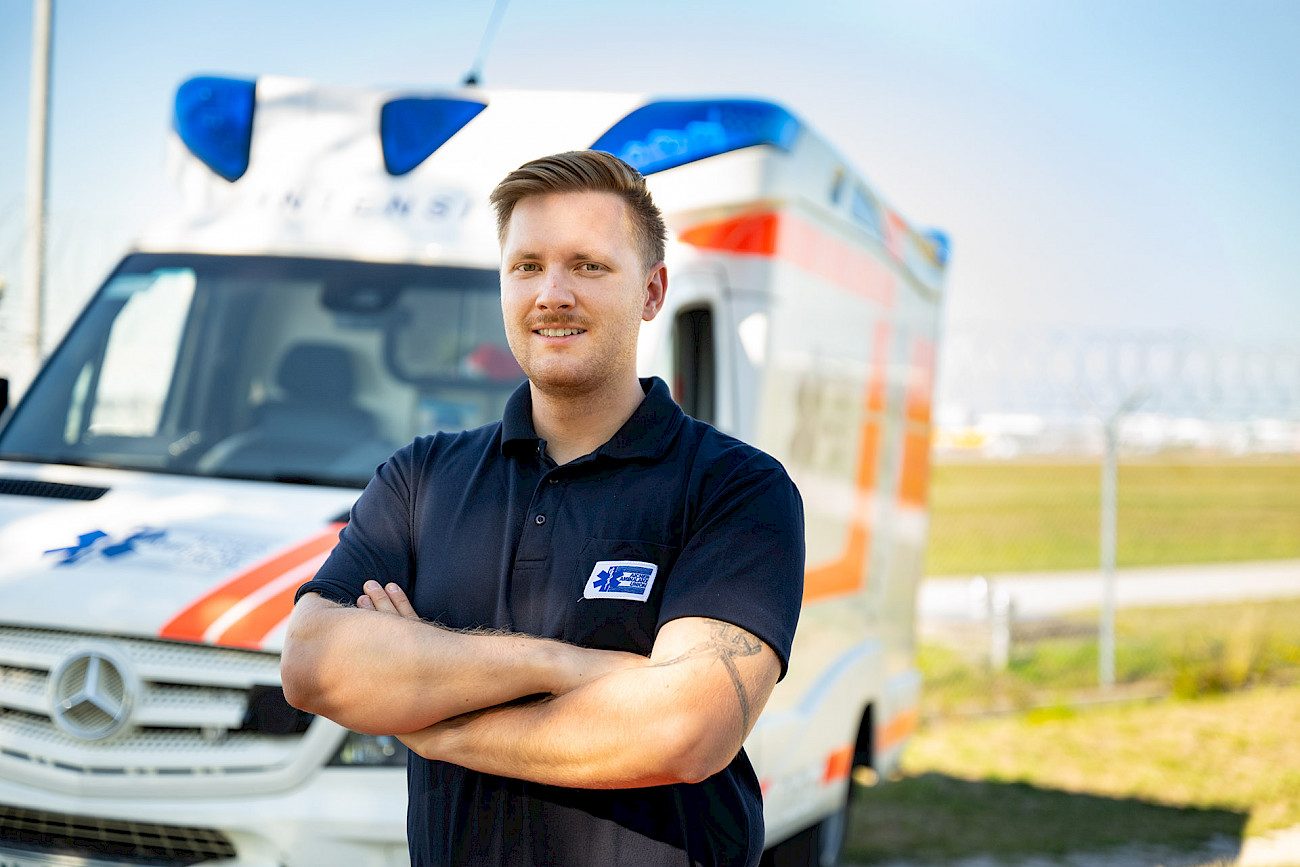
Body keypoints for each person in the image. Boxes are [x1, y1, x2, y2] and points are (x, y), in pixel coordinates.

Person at [281, 149, 805, 867]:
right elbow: (311, 664)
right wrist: (569, 665)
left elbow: (687, 728)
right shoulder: (421, 477)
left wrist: (432, 715)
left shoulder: (737, 489)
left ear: (652, 292)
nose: (551, 293)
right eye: (526, 266)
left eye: (588, 265)